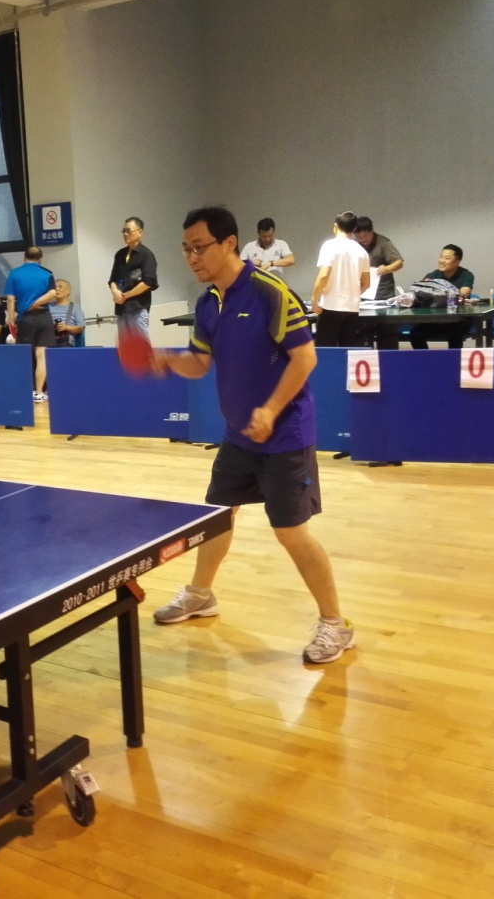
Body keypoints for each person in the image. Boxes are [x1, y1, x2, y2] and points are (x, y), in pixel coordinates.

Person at [150, 205, 354, 664]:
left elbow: (306, 358)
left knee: (291, 533)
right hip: (239, 435)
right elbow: (200, 363)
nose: (192, 257)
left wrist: (271, 410)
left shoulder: (269, 292)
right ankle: (201, 594)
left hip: (285, 436)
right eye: (185, 250)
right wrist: (168, 360)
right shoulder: (208, 303)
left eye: (199, 247)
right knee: (217, 516)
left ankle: (335, 624)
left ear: (228, 244)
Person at [4, 246, 57, 402]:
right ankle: (39, 393)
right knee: (42, 355)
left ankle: (26, 391)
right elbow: (53, 294)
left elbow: (10, 299)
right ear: (40, 259)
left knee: (25, 355)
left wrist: (12, 319)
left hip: (25, 318)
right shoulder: (47, 273)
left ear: (24, 257)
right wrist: (35, 304)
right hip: (44, 317)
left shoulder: (14, 274)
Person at [311, 211, 370, 347]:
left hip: (330, 307)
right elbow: (366, 283)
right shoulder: (362, 251)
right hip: (352, 309)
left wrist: (314, 300)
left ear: (335, 226)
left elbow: (324, 275)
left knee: (326, 350)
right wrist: (352, 294)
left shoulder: (329, 246)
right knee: (348, 351)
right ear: (354, 229)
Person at [407, 245, 476, 350]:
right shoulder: (432, 275)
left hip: (458, 320)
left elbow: (464, 292)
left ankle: (454, 360)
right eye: (441, 257)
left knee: (454, 334)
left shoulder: (466, 275)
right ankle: (426, 359)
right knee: (416, 334)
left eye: (447, 258)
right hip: (435, 320)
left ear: (457, 261)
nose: (442, 261)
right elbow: (421, 293)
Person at [352, 216, 406, 349]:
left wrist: (387, 268)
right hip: (363, 296)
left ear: (372, 231)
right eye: (359, 237)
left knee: (387, 334)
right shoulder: (354, 246)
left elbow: (399, 262)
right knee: (363, 334)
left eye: (366, 236)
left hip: (384, 296)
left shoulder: (383, 243)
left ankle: (388, 358)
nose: (363, 240)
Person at [109, 216, 158, 339]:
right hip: (121, 309)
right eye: (123, 231)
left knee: (141, 346)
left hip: (138, 308)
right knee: (125, 347)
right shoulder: (120, 254)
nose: (125, 234)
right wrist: (115, 292)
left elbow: (148, 282)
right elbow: (112, 279)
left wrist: (126, 295)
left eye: (129, 231)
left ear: (140, 232)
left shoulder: (146, 255)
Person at [49, 279, 86, 347]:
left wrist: (66, 327)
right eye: (55, 287)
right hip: (49, 338)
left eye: (60, 286)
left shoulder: (75, 307)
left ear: (68, 291)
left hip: (66, 340)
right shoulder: (48, 306)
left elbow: (81, 328)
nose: (57, 289)